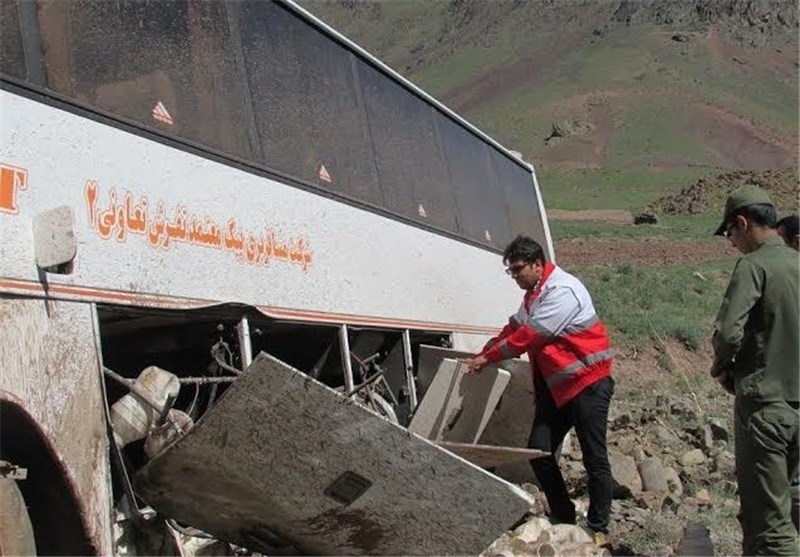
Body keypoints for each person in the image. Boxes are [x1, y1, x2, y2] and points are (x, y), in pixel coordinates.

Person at [463, 235, 614, 545]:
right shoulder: (535, 293)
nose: (514, 276)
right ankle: (564, 515)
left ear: (536, 264)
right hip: (560, 390)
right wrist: (483, 353)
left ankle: (598, 529)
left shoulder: (563, 291)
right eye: (510, 271)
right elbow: (513, 328)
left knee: (594, 457)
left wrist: (488, 357)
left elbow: (527, 337)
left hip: (588, 384)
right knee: (539, 451)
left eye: (517, 269)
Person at [710, 185, 799, 555]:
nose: (731, 242)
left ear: (743, 223)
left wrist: (723, 370)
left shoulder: (754, 266)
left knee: (770, 526)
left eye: (730, 232)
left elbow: (728, 332)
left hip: (766, 409)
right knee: (791, 504)